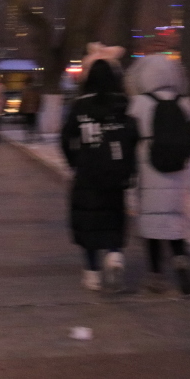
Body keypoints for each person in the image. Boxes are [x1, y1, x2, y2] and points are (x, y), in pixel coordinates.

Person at [126, 54, 190, 295]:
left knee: (151, 223)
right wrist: (183, 157)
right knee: (174, 220)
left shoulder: (139, 103)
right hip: (178, 172)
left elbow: (129, 137)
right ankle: (180, 260)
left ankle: (156, 276)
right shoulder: (184, 102)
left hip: (149, 170)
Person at [61, 55, 137, 293]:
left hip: (87, 174)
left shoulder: (80, 106)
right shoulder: (122, 105)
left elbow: (65, 139)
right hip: (115, 176)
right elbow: (133, 137)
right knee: (113, 220)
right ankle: (114, 256)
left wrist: (76, 161)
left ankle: (92, 274)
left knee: (88, 224)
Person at [19, 75, 41, 141]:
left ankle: (28, 137)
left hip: (26, 109)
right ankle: (34, 136)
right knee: (33, 123)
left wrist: (20, 109)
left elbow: (24, 99)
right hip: (34, 109)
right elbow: (38, 99)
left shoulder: (25, 89)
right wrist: (38, 107)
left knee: (27, 123)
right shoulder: (35, 89)